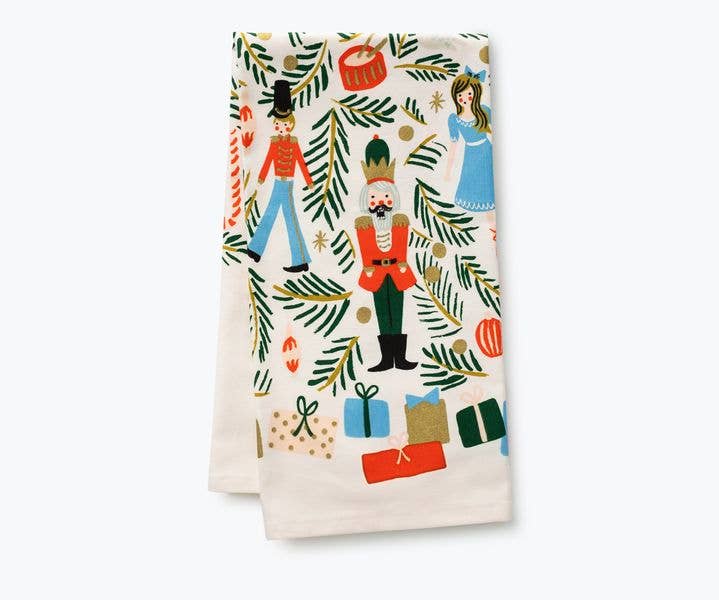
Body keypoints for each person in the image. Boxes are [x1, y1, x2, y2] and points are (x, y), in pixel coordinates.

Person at [355, 135, 417, 371]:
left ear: (392, 198)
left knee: (397, 312)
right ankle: (385, 359)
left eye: (385, 197)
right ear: (367, 200)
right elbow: (365, 248)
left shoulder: (399, 221)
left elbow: (402, 244)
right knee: (383, 313)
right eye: (374, 198)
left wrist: (401, 262)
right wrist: (367, 266)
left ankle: (399, 358)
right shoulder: (364, 224)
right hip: (376, 272)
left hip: (398, 270)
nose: (380, 202)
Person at [246, 80, 314, 272]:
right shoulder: (275, 142)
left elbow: (300, 161)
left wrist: (309, 181)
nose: (280, 127)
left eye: (284, 124)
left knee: (289, 218)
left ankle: (300, 260)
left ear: (290, 124)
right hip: (277, 182)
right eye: (277, 124)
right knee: (271, 212)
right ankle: (256, 249)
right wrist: (261, 176)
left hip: (288, 184)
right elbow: (269, 159)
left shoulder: (294, 143)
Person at [444, 67, 495, 213]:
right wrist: (448, 170)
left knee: (487, 181)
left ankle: (489, 218)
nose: (464, 98)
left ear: (476, 93)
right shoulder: (454, 119)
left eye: (469, 94)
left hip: (486, 151)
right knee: (471, 181)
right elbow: (453, 146)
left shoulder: (484, 111)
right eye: (460, 95)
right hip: (470, 154)